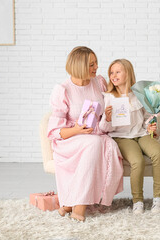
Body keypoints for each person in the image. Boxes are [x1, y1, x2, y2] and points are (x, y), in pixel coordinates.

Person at [47, 47, 124, 221]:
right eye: (91, 64)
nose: (96, 67)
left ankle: (69, 203)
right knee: (94, 144)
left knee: (105, 144)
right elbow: (54, 132)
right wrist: (77, 129)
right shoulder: (63, 90)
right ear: (80, 66)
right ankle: (79, 207)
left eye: (96, 62)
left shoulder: (99, 82)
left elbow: (107, 113)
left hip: (96, 135)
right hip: (70, 140)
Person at [99, 59, 160, 214]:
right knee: (137, 161)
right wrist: (107, 118)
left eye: (117, 72)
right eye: (111, 72)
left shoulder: (139, 95)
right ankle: (138, 201)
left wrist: (150, 125)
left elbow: (146, 117)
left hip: (141, 134)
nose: (113, 75)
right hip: (121, 137)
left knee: (158, 153)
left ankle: (158, 199)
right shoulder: (108, 97)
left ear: (127, 73)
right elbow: (104, 128)